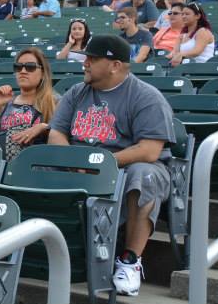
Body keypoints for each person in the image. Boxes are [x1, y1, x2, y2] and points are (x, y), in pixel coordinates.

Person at [48, 35, 175, 298]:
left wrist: (101, 164)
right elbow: (56, 134)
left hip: (128, 166)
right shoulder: (77, 91)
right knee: (36, 166)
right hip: (79, 164)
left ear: (115, 65)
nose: (85, 64)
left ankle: (130, 260)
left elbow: (149, 150)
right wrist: (75, 161)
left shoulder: (146, 97)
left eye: (92, 59)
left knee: (144, 176)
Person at [0, 48, 57, 161]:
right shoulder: (6, 102)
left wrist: (43, 127)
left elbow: (61, 135)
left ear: (42, 73)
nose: (23, 71)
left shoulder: (54, 102)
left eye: (30, 67)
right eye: (18, 67)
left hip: (28, 165)